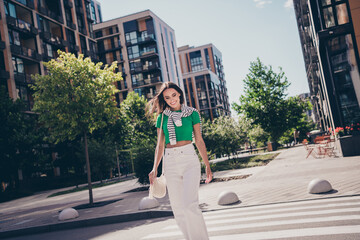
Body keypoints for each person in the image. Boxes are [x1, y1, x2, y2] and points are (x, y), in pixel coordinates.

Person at [147, 82, 212, 240]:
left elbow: (199, 140)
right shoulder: (162, 118)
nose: (171, 100)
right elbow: (160, 145)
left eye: (174, 95)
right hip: (170, 161)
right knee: (178, 209)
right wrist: (155, 168)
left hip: (189, 158)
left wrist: (208, 166)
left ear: (180, 94)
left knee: (190, 205)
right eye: (167, 97)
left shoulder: (192, 113)